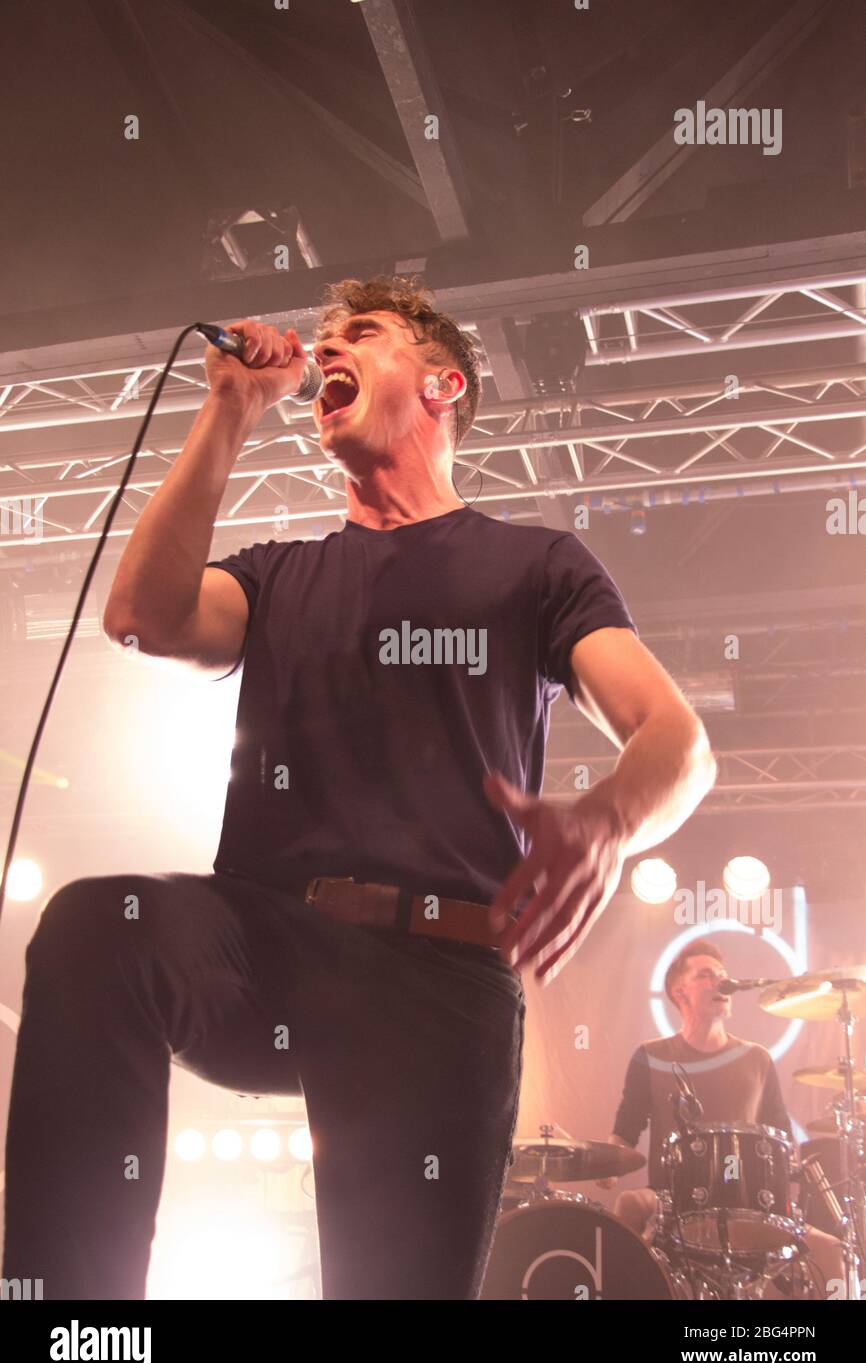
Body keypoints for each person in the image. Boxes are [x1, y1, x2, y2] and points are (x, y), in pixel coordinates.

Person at [2, 275, 716, 1300]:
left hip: (434, 974)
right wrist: (230, 407)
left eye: (362, 334)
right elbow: (143, 616)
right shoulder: (281, 574)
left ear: (441, 383)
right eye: (326, 336)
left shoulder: (534, 566)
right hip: (265, 943)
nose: (329, 346)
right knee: (95, 926)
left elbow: (677, 739)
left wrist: (605, 818)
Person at [601, 938, 844, 1295]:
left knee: (831, 1249)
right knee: (627, 1204)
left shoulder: (758, 1058)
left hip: (750, 1201)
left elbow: (780, 1140)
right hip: (672, 1199)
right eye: (706, 975)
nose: (721, 982)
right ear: (679, 992)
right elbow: (625, 1132)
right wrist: (604, 1163)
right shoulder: (650, 1056)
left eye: (723, 975)